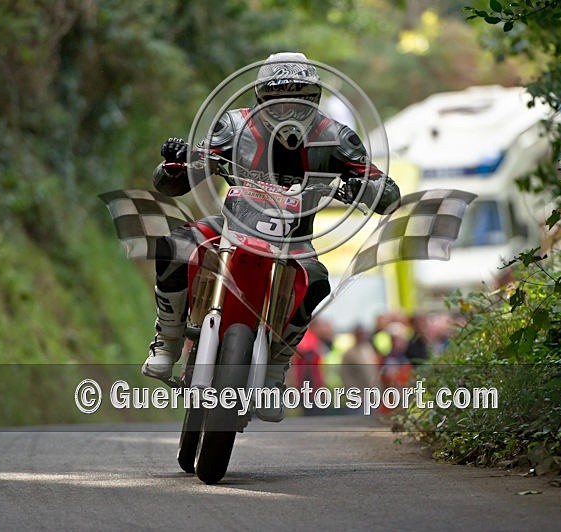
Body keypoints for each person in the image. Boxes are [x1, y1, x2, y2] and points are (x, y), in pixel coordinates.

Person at [140, 52, 401, 421]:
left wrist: (367, 187)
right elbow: (172, 179)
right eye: (280, 96)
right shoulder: (233, 126)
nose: (289, 105)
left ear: (314, 97)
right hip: (231, 226)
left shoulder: (337, 137)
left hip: (294, 242)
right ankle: (167, 339)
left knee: (317, 282)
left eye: (299, 95)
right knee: (175, 246)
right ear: (261, 96)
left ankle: (276, 370)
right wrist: (178, 163)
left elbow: (384, 188)